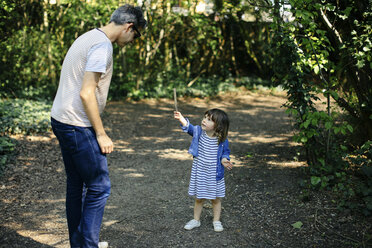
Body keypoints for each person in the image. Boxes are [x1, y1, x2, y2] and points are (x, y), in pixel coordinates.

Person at [50, 4, 147, 248]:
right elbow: (86, 93)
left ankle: (79, 244)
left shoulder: (89, 36)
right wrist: (101, 134)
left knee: (76, 185)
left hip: (61, 119)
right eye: (136, 35)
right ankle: (88, 245)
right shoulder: (102, 46)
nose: (133, 40)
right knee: (99, 187)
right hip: (77, 125)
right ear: (129, 26)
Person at [174, 109, 233, 232]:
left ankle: (216, 220)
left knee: (216, 199)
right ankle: (196, 220)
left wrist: (224, 160)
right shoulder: (199, 132)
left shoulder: (222, 140)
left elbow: (225, 153)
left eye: (209, 120)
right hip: (200, 172)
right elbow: (189, 128)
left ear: (219, 126)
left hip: (214, 174)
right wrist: (181, 119)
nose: (204, 120)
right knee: (199, 198)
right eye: (205, 117)